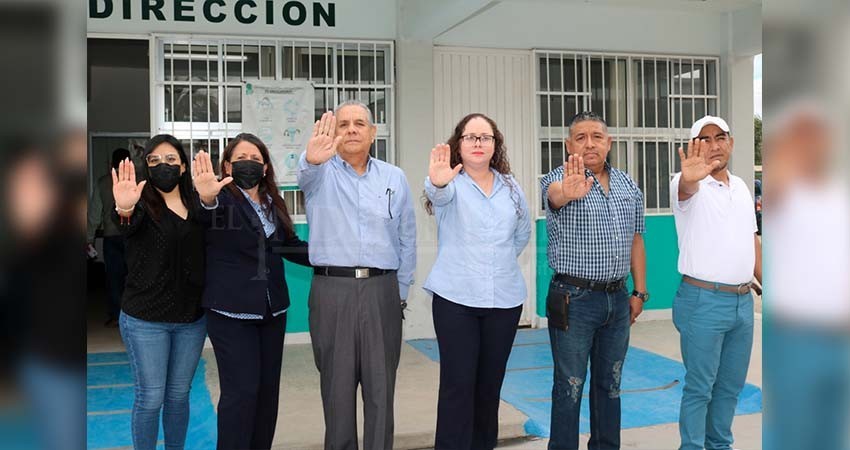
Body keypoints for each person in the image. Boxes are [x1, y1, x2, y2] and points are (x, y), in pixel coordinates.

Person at [298, 100, 416, 450]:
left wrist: (401, 292)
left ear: (373, 132)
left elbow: (407, 236)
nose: (351, 130)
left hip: (383, 290)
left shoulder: (394, 177)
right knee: (337, 390)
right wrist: (311, 158)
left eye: (359, 124)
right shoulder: (320, 173)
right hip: (332, 291)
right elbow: (305, 171)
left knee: (381, 389)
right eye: (343, 124)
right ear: (333, 133)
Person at [193, 133, 311, 450]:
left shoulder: (273, 202)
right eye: (241, 157)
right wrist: (206, 198)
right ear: (228, 165)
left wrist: (331, 259)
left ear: (266, 167)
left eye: (256, 158)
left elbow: (289, 245)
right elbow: (204, 217)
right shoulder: (220, 199)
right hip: (231, 312)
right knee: (241, 391)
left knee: (266, 391)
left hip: (272, 311)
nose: (249, 163)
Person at [540, 111, 647, 450]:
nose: (589, 143)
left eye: (597, 136)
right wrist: (567, 192)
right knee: (569, 387)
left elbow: (636, 240)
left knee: (610, 384)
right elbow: (555, 196)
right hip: (573, 300)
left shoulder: (629, 185)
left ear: (608, 142)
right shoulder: (556, 178)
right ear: (568, 144)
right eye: (581, 137)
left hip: (617, 301)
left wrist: (639, 292)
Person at [423, 113, 531, 450]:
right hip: (456, 301)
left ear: (495, 144)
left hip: (504, 301)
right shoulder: (449, 182)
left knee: (489, 389)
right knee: (458, 387)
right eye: (471, 137)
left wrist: (493, 262)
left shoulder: (511, 186)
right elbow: (436, 195)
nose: (478, 143)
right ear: (459, 143)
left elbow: (522, 234)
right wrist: (438, 181)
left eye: (485, 137)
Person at [670, 115, 761, 450]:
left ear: (731, 143)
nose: (713, 145)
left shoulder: (740, 187)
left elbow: (753, 242)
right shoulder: (686, 182)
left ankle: (719, 445)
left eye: (719, 137)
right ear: (694, 146)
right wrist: (690, 178)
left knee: (729, 387)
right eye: (703, 139)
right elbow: (686, 188)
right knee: (700, 387)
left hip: (742, 304)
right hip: (702, 302)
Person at [112, 134, 207, 450]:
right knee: (151, 396)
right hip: (145, 319)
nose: (162, 166)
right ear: (146, 167)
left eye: (170, 160)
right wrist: (123, 207)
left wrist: (212, 203)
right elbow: (125, 223)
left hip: (191, 318)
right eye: (153, 161)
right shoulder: (139, 203)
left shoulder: (197, 203)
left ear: (182, 166)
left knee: (179, 395)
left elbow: (218, 239)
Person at [87, 147, 131, 327]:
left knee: (114, 277)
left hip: (111, 237)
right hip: (133, 236)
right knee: (135, 276)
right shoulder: (138, 182)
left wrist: (89, 238)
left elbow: (94, 215)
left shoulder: (103, 183)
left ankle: (116, 316)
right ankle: (135, 316)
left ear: (111, 163)